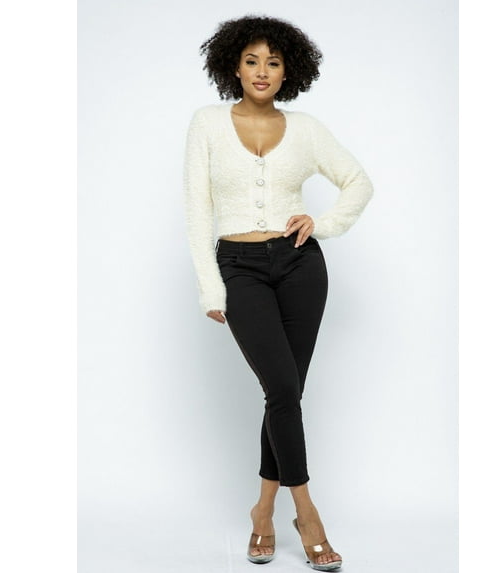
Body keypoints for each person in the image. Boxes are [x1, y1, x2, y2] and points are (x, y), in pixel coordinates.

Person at [183, 15, 373, 571]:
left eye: (273, 62)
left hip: (300, 266)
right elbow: (197, 209)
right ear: (234, 67)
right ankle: (307, 515)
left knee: (284, 394)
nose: (262, 71)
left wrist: (323, 223)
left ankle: (263, 512)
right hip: (239, 267)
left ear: (289, 71)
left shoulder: (306, 128)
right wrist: (210, 288)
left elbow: (358, 182)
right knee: (283, 390)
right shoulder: (207, 123)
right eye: (252, 61)